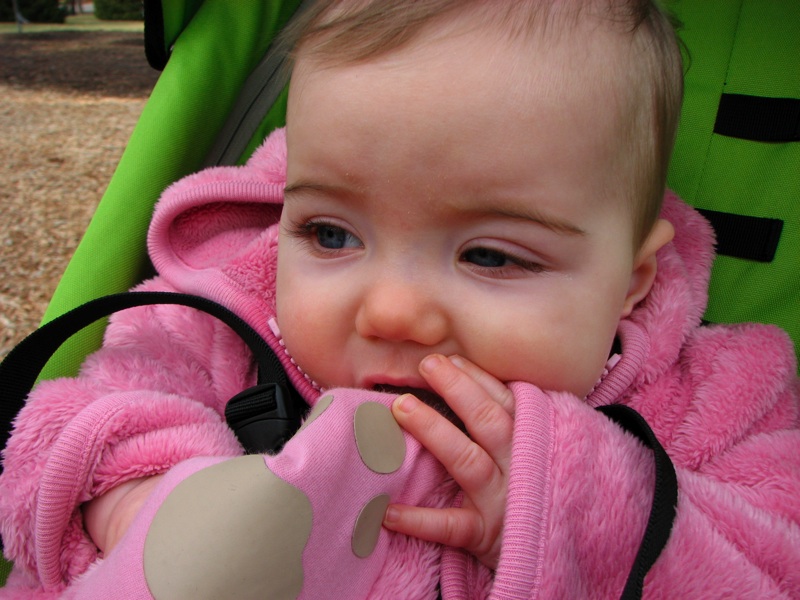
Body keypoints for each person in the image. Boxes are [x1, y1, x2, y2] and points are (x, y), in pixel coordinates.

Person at [1, 0, 798, 598]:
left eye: (490, 254)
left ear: (632, 284)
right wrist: (145, 503)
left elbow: (780, 558)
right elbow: (52, 434)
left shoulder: (718, 399)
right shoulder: (221, 323)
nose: (391, 312)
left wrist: (590, 513)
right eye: (332, 235)